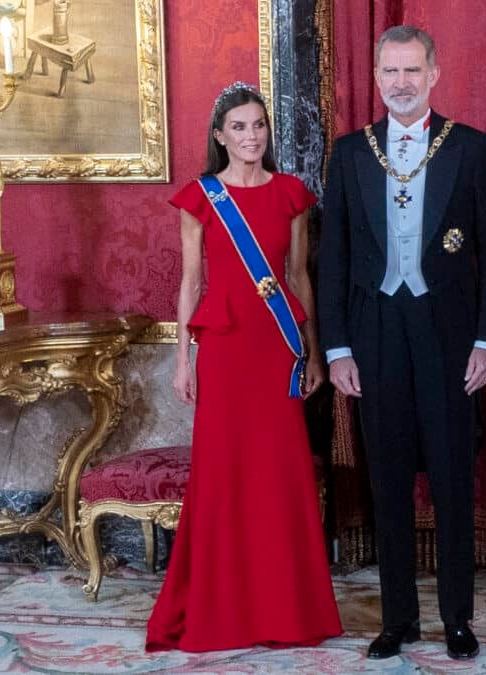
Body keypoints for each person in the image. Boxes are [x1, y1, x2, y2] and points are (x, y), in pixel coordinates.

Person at [318, 25, 486, 661]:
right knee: (388, 480)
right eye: (390, 73)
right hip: (374, 333)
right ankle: (398, 618)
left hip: (449, 334)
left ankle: (458, 618)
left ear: (434, 75)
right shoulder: (350, 152)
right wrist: (338, 349)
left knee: (454, 478)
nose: (400, 83)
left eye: (411, 72)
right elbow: (335, 258)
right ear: (377, 79)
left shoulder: (469, 148)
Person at [146, 82, 343, 652]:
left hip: (278, 348)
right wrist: (183, 359)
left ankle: (288, 609)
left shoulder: (291, 193)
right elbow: (190, 283)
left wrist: (312, 350)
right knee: (226, 474)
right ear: (219, 136)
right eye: (239, 127)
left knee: (279, 475)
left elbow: (300, 276)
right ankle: (224, 605)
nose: (251, 135)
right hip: (227, 351)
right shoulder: (202, 197)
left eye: (258, 125)